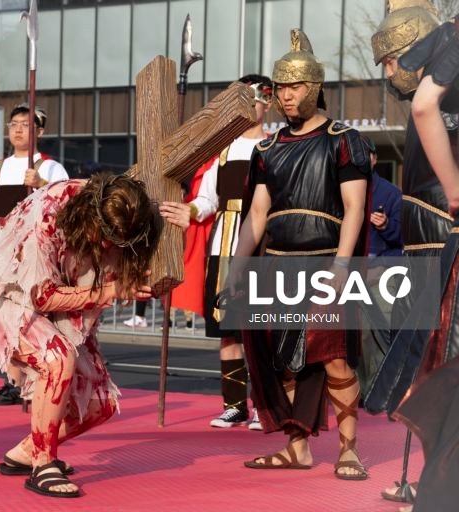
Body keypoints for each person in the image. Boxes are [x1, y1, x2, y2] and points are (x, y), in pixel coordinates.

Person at [0, 174, 189, 497]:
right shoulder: (49, 214)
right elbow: (42, 296)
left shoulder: (134, 215)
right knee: (57, 358)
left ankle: (27, 451)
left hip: (63, 301)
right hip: (5, 294)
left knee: (100, 404)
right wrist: (110, 290)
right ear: (89, 213)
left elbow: (144, 259)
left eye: (117, 242)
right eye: (105, 237)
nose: (107, 247)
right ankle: (43, 463)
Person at [227, 29, 370, 480]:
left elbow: (354, 209)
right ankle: (297, 447)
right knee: (282, 357)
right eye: (280, 89)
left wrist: (343, 268)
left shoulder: (344, 139)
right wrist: (236, 269)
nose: (285, 97)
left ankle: (349, 450)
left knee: (333, 357)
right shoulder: (267, 150)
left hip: (327, 261)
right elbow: (257, 214)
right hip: (277, 265)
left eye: (294, 88)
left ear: (315, 87)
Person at [370, 4, 459, 508]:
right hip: (425, 240)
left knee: (437, 364)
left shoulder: (442, 93)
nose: (388, 73)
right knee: (425, 366)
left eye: (392, 60)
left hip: (443, 239)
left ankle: (434, 482)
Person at [0, 103, 69, 407]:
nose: (17, 129)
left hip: (36, 254)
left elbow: (66, 206)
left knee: (34, 316)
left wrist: (42, 185)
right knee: (4, 316)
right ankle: (12, 381)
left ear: (40, 131)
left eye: (26, 124)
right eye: (14, 124)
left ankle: (37, 380)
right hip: (0, 253)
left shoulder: (51, 168)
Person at [191, 74, 274, 430]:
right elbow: (207, 199)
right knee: (227, 327)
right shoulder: (221, 150)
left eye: (252, 99)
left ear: (266, 103)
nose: (246, 107)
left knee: (263, 326)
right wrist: (190, 211)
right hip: (224, 241)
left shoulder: (277, 146)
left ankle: (266, 406)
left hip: (265, 243)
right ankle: (235, 405)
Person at [356, 138, 404, 397]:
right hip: (349, 276)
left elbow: (405, 238)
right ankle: (360, 391)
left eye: (366, 154)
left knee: (382, 333)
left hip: (383, 274)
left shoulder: (391, 193)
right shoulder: (341, 190)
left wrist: (386, 226)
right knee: (354, 336)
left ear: (374, 158)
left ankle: (382, 390)